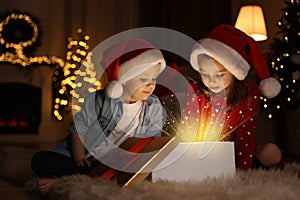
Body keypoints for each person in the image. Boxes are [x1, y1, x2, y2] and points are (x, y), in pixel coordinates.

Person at [31, 38, 166, 195]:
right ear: (124, 79)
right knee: (40, 160)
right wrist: (79, 159)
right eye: (143, 79)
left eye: (154, 79)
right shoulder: (99, 99)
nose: (151, 85)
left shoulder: (153, 106)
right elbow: (77, 131)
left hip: (118, 161)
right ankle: (83, 176)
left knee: (128, 171)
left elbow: (152, 141)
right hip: (90, 157)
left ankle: (63, 181)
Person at [181, 24, 284, 170]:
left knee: (270, 152)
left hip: (239, 153)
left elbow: (246, 136)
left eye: (220, 74)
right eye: (205, 74)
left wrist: (242, 170)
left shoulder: (249, 93)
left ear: (234, 71)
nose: (212, 81)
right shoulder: (195, 92)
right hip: (204, 156)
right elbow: (187, 133)